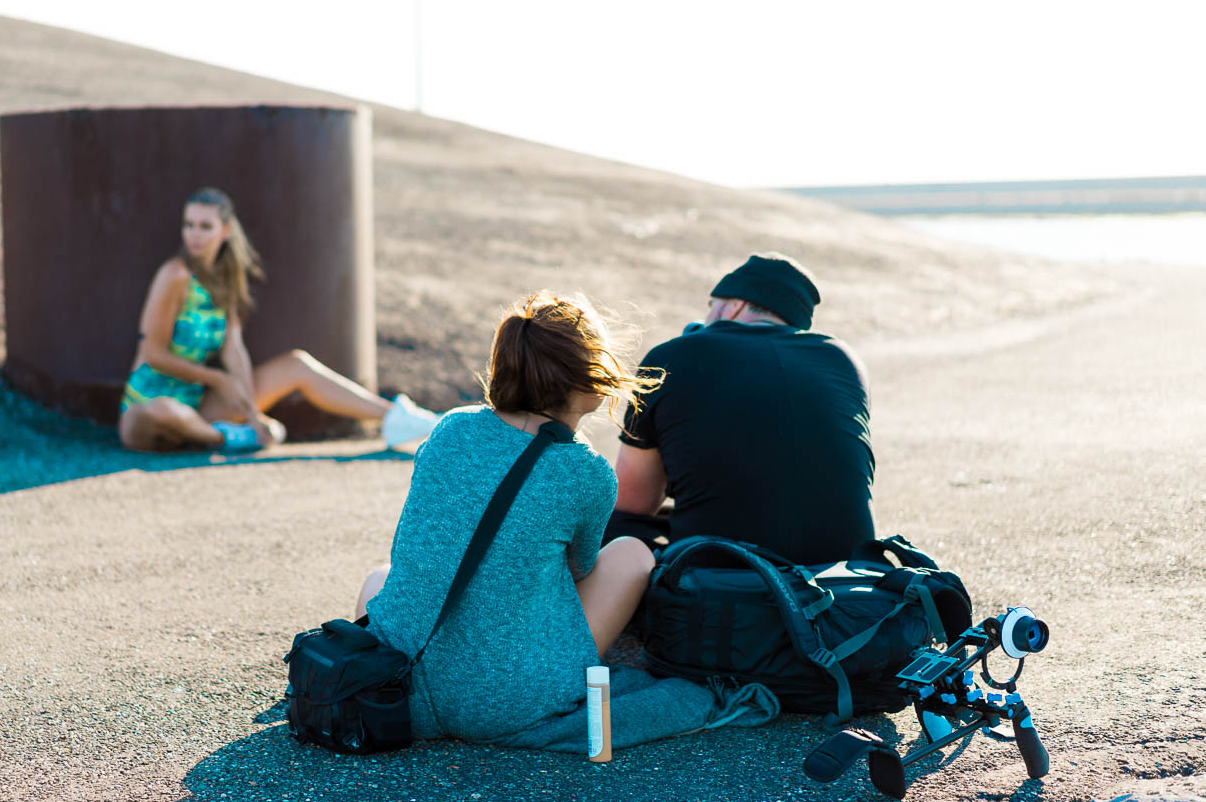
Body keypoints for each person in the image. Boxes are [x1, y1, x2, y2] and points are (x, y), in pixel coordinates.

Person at [354, 292, 777, 751]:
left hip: (398, 688)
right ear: (591, 378)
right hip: (504, 702)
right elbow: (578, 573)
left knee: (382, 575)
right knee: (632, 553)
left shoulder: (450, 428)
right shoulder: (586, 472)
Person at [118, 187, 440, 454]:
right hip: (146, 411)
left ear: (225, 232)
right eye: (189, 225)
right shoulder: (174, 275)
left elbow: (234, 349)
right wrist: (217, 379)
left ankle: (399, 419)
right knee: (165, 411)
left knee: (297, 364)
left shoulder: (226, 278)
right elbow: (153, 354)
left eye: (205, 226)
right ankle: (226, 438)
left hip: (198, 407)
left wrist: (251, 411)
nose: (194, 235)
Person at [609, 252, 875, 564]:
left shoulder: (671, 356)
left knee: (619, 527)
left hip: (717, 571)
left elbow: (632, 503)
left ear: (732, 306)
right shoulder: (844, 360)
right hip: (847, 569)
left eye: (711, 306)